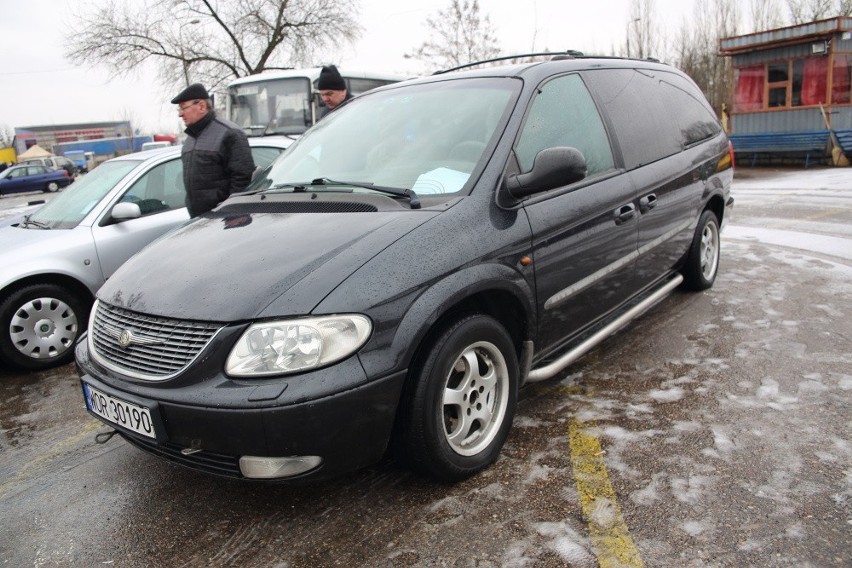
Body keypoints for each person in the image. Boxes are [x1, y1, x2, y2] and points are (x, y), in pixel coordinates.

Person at [171, 83, 255, 217]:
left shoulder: (229, 133)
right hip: (198, 220)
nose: (180, 114)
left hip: (224, 221)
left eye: (183, 108)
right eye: (179, 109)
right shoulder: (190, 138)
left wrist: (233, 214)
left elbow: (243, 178)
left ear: (201, 106)